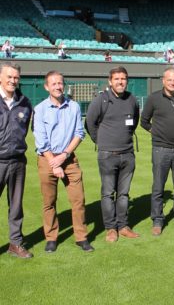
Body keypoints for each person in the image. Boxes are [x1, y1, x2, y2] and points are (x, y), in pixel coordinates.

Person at [33, 71, 93, 252]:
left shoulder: (74, 107)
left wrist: (65, 155)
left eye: (60, 83)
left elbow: (79, 133)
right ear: (47, 87)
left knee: (78, 200)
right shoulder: (40, 109)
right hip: (47, 159)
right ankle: (51, 238)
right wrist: (55, 162)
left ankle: (81, 237)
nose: (58, 87)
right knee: (49, 201)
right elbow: (41, 141)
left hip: (69, 159)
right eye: (53, 84)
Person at [85, 67, 140, 242]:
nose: (120, 82)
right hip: (107, 155)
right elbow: (90, 123)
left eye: (123, 78)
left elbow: (134, 122)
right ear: (110, 81)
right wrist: (101, 141)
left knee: (123, 194)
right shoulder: (100, 100)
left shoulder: (132, 99)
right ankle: (110, 228)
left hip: (128, 154)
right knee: (108, 193)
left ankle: (123, 226)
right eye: (116, 79)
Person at [141, 67, 174, 236]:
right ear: (163, 81)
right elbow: (144, 121)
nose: (172, 83)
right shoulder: (154, 98)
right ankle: (157, 220)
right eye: (169, 80)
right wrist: (156, 133)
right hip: (160, 150)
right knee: (158, 187)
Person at [0, 63, 33, 258]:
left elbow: (24, 129)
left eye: (16, 78)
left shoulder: (25, 102)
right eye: (9, 77)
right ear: (0, 78)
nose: (13, 81)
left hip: (18, 161)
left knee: (16, 205)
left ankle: (15, 243)